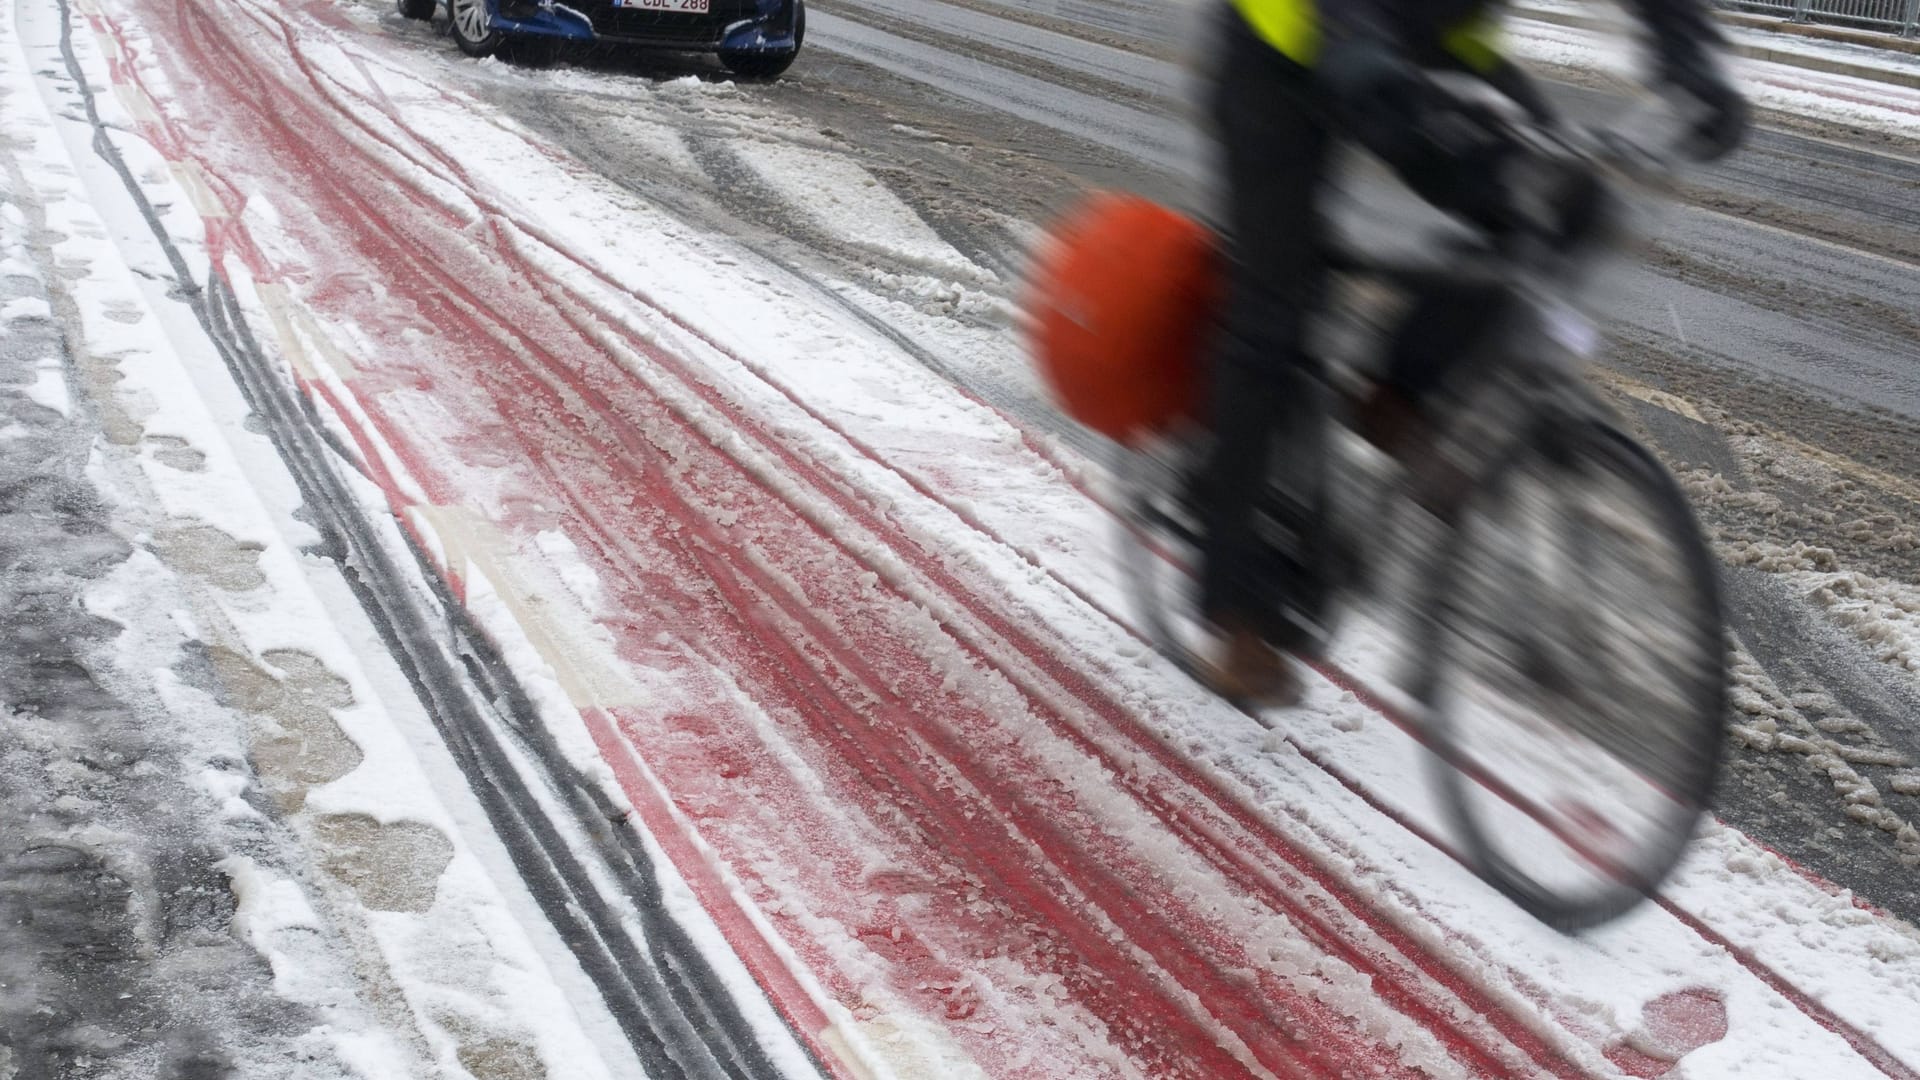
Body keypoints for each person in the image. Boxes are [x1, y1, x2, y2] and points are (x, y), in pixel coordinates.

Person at [1194, 0, 1749, 704]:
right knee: (1276, 312)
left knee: (1562, 203)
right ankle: (1244, 616)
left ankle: (1401, 389)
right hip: (1286, 39)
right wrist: (1352, 40)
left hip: (1428, 46)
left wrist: (1691, 55)